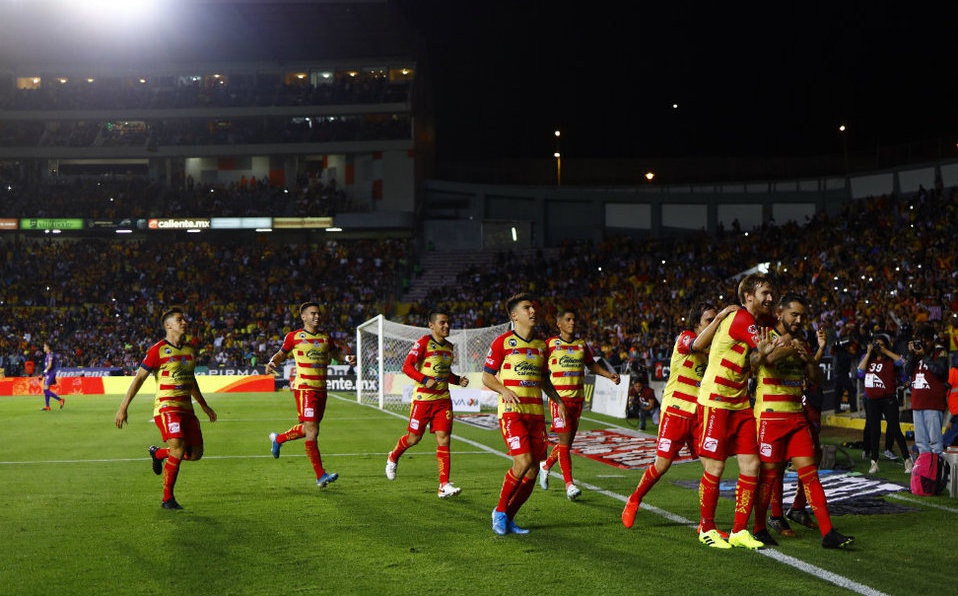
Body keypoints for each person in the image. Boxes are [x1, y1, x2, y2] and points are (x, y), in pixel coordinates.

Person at [750, 293, 855, 549]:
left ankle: (828, 532)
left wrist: (808, 357)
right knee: (769, 476)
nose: (798, 320)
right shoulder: (767, 336)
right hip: (770, 417)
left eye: (801, 316)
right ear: (780, 314)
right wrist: (791, 346)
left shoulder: (802, 343)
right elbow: (770, 360)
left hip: (796, 417)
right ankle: (760, 528)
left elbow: (816, 378)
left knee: (810, 474)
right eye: (793, 315)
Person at [622, 302, 739, 529]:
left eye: (717, 319)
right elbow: (696, 345)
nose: (715, 323)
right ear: (697, 324)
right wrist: (721, 317)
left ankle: (707, 525)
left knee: (713, 468)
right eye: (709, 320)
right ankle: (634, 498)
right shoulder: (685, 337)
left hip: (701, 416)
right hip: (676, 411)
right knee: (662, 465)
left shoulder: (717, 348)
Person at [694, 273, 776, 550]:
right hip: (716, 401)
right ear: (749, 296)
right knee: (715, 468)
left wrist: (768, 348)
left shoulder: (753, 322)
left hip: (739, 403)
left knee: (751, 465)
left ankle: (739, 530)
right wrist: (786, 345)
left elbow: (757, 354)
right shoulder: (742, 319)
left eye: (771, 293)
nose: (770, 298)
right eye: (764, 293)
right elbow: (765, 355)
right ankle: (706, 527)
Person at [114, 307, 217, 510]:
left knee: (195, 454)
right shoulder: (157, 350)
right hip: (167, 408)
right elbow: (139, 379)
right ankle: (167, 499)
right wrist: (123, 407)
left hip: (187, 409)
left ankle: (159, 454)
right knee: (178, 449)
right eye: (180, 320)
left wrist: (204, 406)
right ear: (168, 325)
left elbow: (191, 380)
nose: (185, 322)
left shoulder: (189, 350)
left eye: (184, 319)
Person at [483, 292, 566, 535]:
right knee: (523, 462)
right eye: (527, 307)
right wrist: (503, 390)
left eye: (534, 307)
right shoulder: (502, 342)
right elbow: (487, 376)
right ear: (514, 315)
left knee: (533, 470)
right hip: (512, 412)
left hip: (535, 415)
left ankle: (509, 517)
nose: (533, 311)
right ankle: (499, 511)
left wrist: (558, 400)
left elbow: (543, 380)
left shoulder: (542, 346)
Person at [266, 301, 353, 489]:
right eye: (312, 313)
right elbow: (282, 354)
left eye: (318, 313)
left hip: (322, 389)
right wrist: (272, 362)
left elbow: (335, 353)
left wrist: (346, 358)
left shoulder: (325, 337)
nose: (317, 316)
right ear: (303, 317)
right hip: (305, 388)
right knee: (312, 430)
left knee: (308, 429)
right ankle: (320, 475)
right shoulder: (294, 336)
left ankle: (279, 439)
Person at [385, 308, 470, 498]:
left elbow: (443, 373)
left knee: (444, 439)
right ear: (431, 325)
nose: (446, 325)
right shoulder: (423, 343)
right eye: (442, 322)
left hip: (443, 401)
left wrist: (457, 380)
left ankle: (443, 485)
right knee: (414, 438)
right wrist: (424, 380)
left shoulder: (449, 347)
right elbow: (406, 366)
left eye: (448, 322)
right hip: (423, 400)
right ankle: (393, 456)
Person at [538, 306, 621, 501]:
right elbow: (541, 372)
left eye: (574, 319)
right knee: (565, 445)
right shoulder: (550, 344)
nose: (572, 322)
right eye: (568, 319)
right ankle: (569, 485)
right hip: (559, 401)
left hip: (578, 400)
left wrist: (609, 375)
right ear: (559, 324)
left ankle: (546, 465)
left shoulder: (581, 345)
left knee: (565, 443)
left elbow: (591, 365)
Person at [857, 332, 911, 474]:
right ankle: (874, 462)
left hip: (888, 399)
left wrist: (886, 351)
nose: (877, 347)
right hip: (872, 400)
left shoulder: (891, 360)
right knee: (874, 431)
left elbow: (902, 362)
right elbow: (859, 372)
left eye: (881, 344)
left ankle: (907, 459)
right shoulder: (868, 358)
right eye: (876, 344)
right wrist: (868, 353)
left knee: (895, 429)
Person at [905, 323, 949, 457]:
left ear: (931, 340)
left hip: (933, 404)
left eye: (925, 340)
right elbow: (907, 371)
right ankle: (926, 474)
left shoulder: (939, 352)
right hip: (917, 403)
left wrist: (925, 356)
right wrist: (912, 355)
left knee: (935, 444)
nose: (923, 343)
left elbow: (940, 372)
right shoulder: (916, 355)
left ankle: (937, 474)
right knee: (921, 443)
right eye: (920, 340)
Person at [40, 341, 64, 410]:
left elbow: (50, 366)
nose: (43, 348)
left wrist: (43, 372)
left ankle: (60, 400)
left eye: (44, 346)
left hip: (51, 373)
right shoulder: (48, 355)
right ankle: (47, 406)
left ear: (48, 347)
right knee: (45, 390)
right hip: (48, 373)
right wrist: (44, 374)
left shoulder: (51, 354)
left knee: (46, 390)